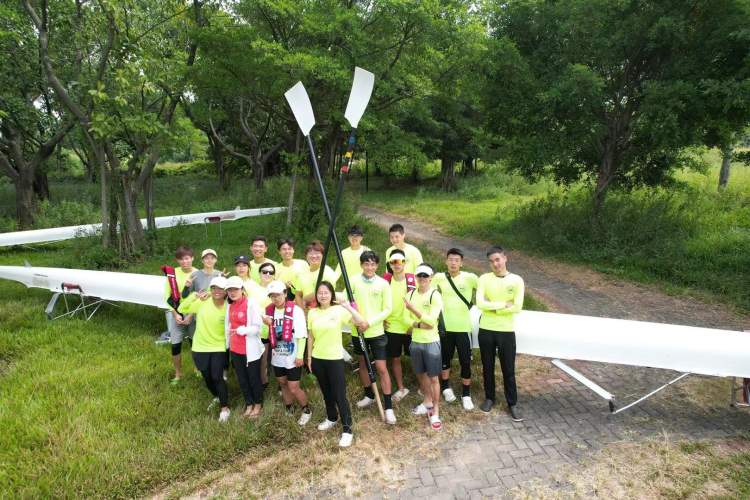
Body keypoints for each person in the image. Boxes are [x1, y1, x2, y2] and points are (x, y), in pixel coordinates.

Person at [306, 281, 366, 447]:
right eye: (320, 292)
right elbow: (310, 336)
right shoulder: (312, 313)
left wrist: (348, 307)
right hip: (318, 358)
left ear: (331, 294)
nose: (323, 295)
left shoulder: (339, 311)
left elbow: (362, 323)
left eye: (326, 292)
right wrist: (309, 358)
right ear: (316, 296)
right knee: (326, 392)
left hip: (334, 359)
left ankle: (347, 429)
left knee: (339, 394)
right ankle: (332, 417)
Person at [476, 246, 525, 422]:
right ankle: (490, 398)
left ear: (505, 258)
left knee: (508, 369)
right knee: (487, 366)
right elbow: (480, 303)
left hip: (506, 331)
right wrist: (504, 305)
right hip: (486, 329)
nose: (495, 264)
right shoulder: (484, 279)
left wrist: (493, 306)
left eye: (497, 259)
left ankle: (512, 403)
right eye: (491, 261)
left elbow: (517, 306)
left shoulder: (517, 280)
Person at [349, 251, 396, 424]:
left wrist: (368, 322)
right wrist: (353, 320)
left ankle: (389, 406)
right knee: (362, 363)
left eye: (373, 264)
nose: (369, 267)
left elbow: (387, 309)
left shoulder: (383, 284)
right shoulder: (352, 281)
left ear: (377, 265)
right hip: (358, 332)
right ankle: (369, 395)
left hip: (376, 332)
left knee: (382, 368)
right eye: (366, 264)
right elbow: (347, 305)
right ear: (361, 265)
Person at [178, 276, 231, 422]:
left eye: (220, 288)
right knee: (207, 377)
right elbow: (182, 308)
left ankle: (224, 408)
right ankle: (217, 396)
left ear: (226, 291)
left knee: (217, 377)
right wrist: (194, 296)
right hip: (200, 346)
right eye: (214, 288)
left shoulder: (229, 306)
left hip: (219, 346)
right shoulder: (202, 302)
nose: (217, 291)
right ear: (210, 289)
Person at [433, 248, 478, 410]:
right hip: (445, 328)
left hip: (463, 328)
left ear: (461, 262)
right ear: (446, 261)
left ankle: (466, 394)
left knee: (465, 361)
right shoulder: (439, 277)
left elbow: (485, 289)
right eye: (450, 259)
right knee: (445, 359)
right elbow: (423, 287)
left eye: (456, 260)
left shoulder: (470, 278)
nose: (453, 263)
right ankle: (445, 387)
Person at [263, 280, 312, 426]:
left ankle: (306, 409)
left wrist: (299, 356)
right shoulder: (269, 311)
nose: (275, 298)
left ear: (285, 293)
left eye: (278, 295)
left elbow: (302, 335)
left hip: (292, 356)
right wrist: (267, 325)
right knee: (282, 383)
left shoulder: (295, 310)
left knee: (293, 386)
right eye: (272, 296)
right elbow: (267, 335)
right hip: (277, 356)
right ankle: (289, 407)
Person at [404, 264, 444, 431]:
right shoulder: (410, 293)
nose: (422, 279)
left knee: (434, 378)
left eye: (425, 276)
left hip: (431, 342)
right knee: (420, 374)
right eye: (419, 275)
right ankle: (427, 402)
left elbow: (432, 320)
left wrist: (413, 310)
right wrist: (419, 324)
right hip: (416, 341)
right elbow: (405, 319)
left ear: (431, 278)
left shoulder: (435, 295)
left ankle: (435, 410)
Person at [225, 276, 264, 418]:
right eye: (229, 290)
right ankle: (248, 403)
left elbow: (257, 327)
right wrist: (227, 342)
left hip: (250, 349)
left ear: (242, 289)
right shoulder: (229, 305)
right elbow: (227, 326)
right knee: (242, 378)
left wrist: (243, 330)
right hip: (235, 349)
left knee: (253, 378)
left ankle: (258, 404)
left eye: (235, 289)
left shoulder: (251, 304)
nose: (232, 292)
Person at [383, 250, 415, 402]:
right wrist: (382, 319)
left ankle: (423, 386)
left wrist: (413, 325)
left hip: (410, 326)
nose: (397, 265)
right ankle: (401, 388)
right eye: (393, 262)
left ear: (405, 262)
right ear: (389, 264)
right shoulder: (385, 281)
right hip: (392, 326)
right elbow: (379, 302)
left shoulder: (413, 280)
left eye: (400, 261)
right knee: (395, 358)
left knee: (416, 357)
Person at [164, 245, 196, 385]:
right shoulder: (172, 274)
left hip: (193, 314)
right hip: (176, 313)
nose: (184, 262)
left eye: (187, 258)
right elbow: (167, 296)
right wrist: (175, 314)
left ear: (192, 258)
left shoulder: (197, 273)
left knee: (195, 343)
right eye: (181, 259)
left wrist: (190, 315)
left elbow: (201, 296)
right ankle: (178, 374)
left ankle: (198, 369)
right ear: (177, 261)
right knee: (175, 345)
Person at [292, 240, 338, 309]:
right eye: (310, 253)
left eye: (317, 253)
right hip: (306, 311)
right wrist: (302, 311)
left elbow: (325, 293)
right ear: (306, 256)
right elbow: (298, 295)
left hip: (325, 310)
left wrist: (305, 299)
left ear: (323, 255)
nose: (313, 256)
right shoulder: (301, 273)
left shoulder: (328, 272)